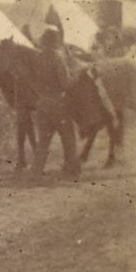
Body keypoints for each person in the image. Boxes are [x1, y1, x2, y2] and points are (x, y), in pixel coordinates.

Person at [30, 26, 81, 179]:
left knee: (43, 140)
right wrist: (78, 75)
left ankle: (36, 172)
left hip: (42, 102)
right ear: (56, 42)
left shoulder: (37, 59)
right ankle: (72, 170)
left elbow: (33, 82)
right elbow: (66, 83)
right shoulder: (58, 59)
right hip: (58, 103)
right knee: (68, 137)